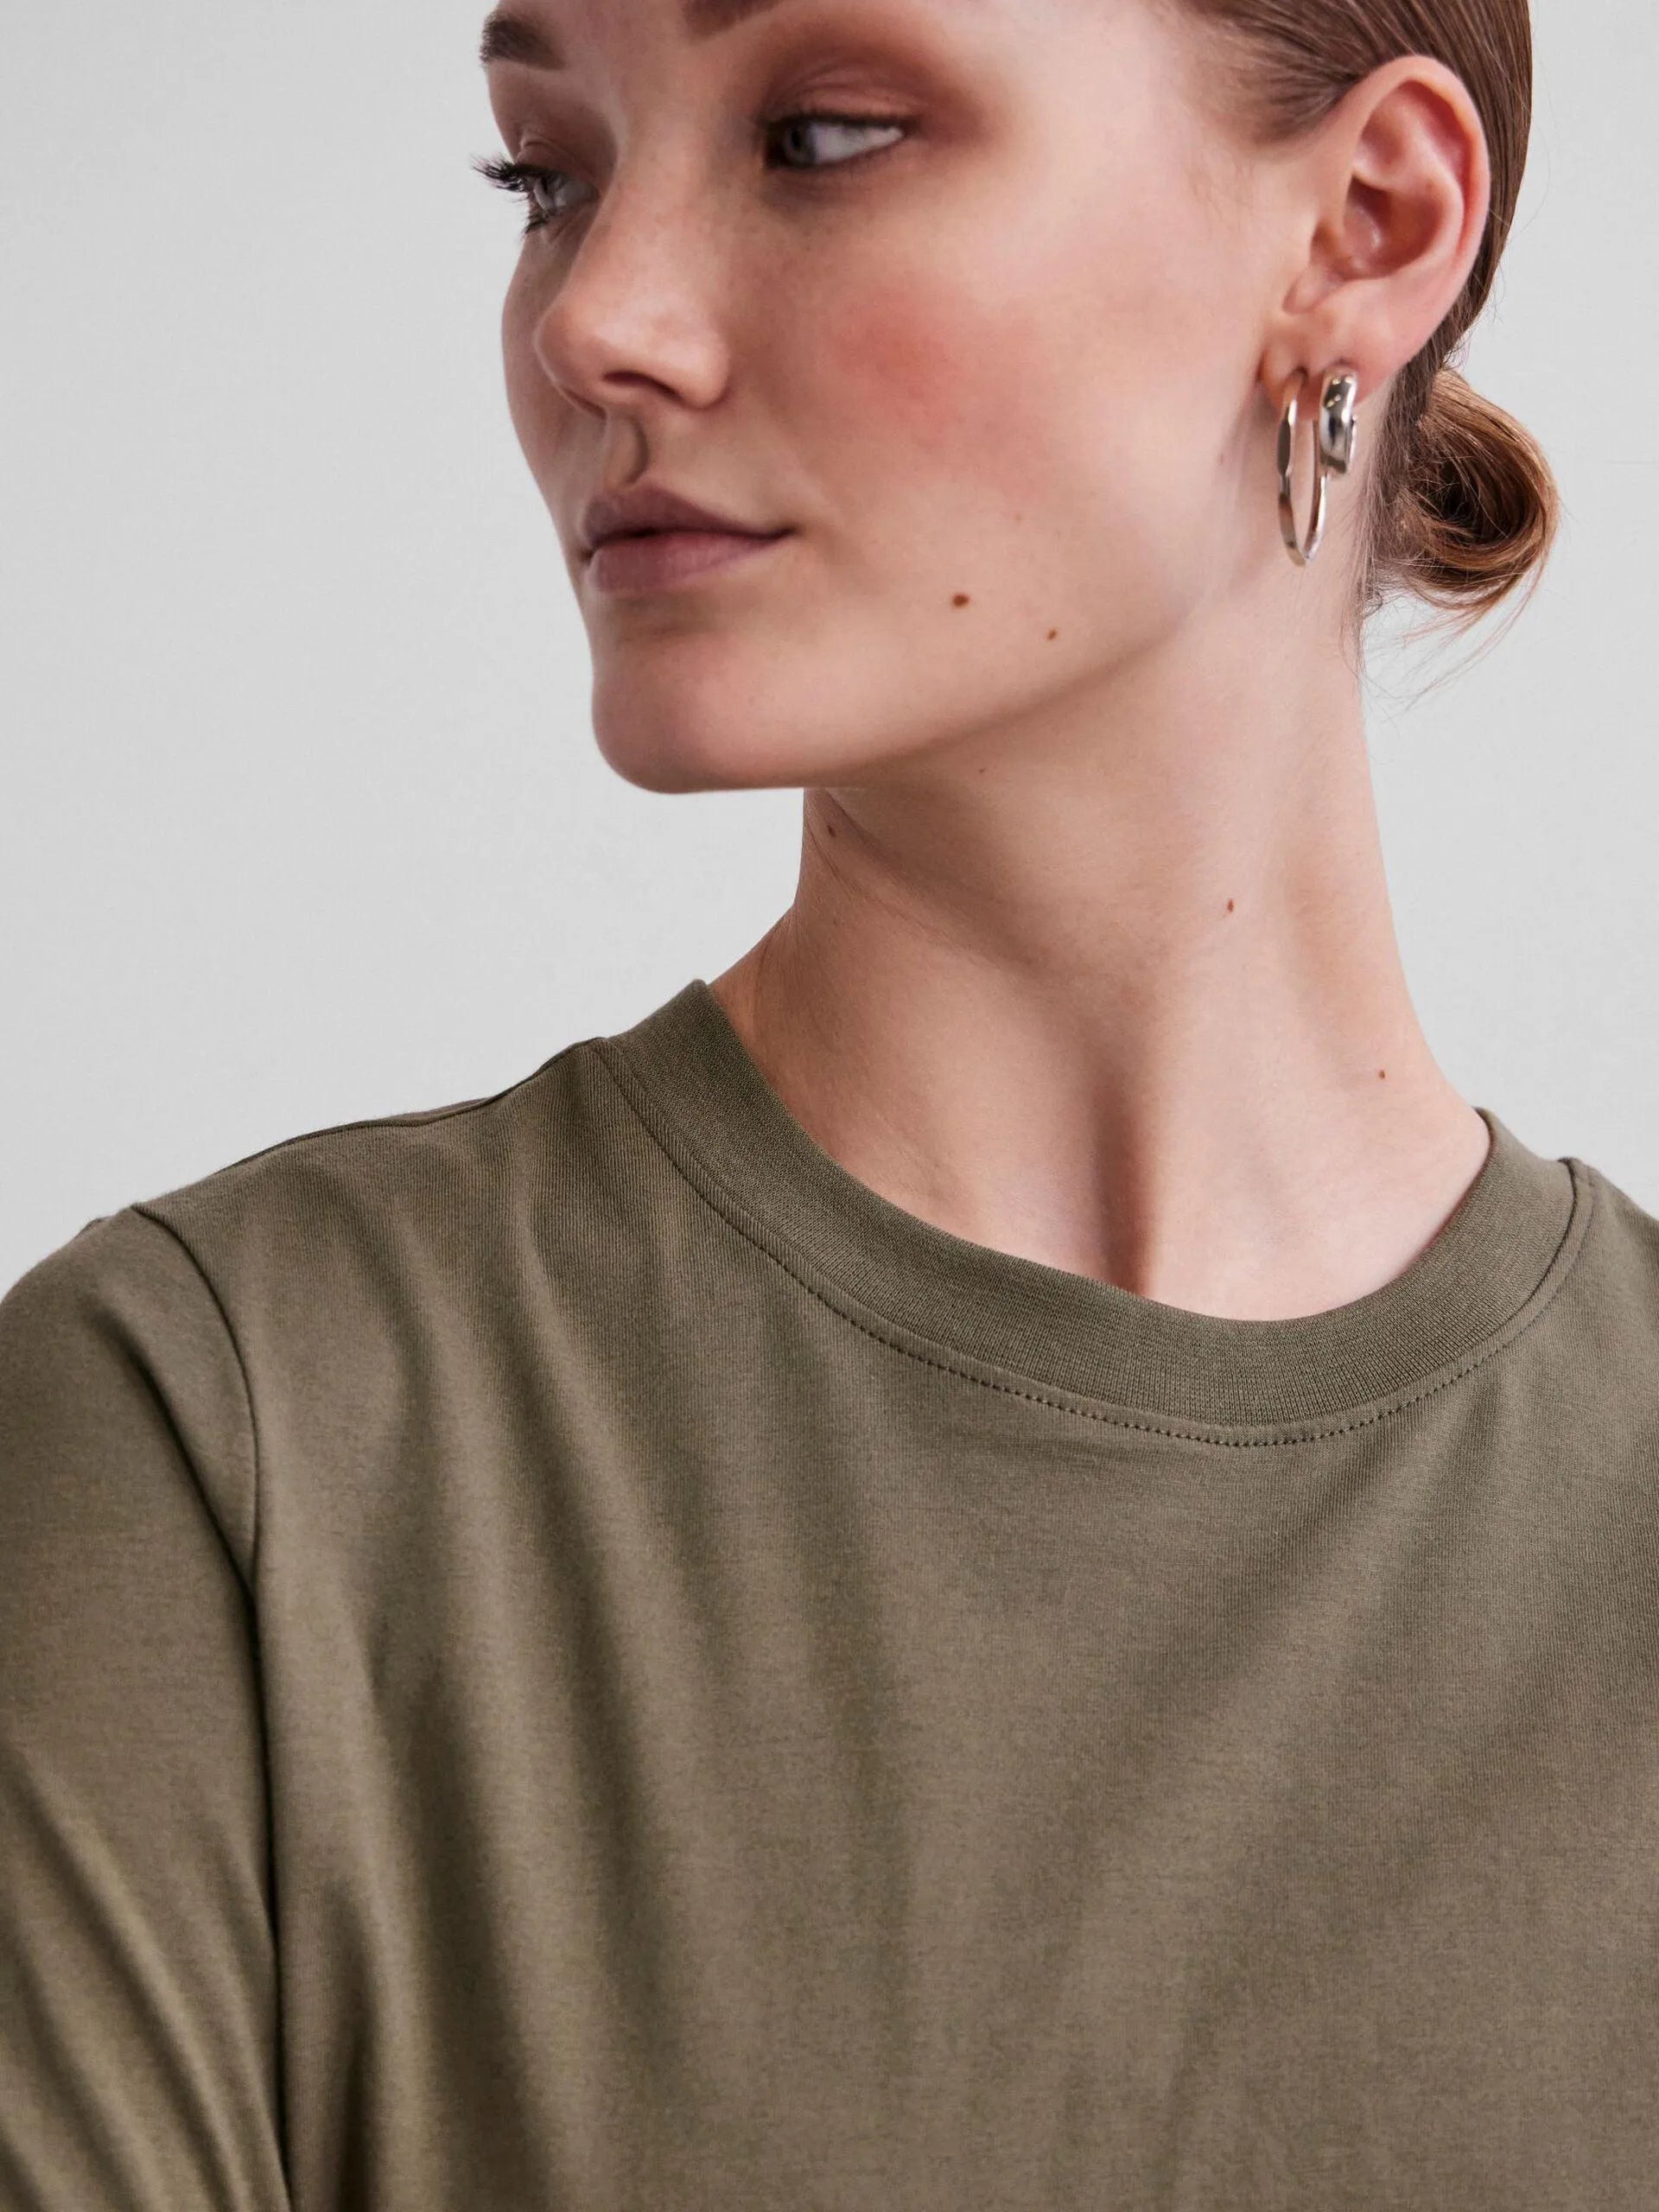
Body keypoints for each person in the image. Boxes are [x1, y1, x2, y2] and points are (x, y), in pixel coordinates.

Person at [3, 0, 1653, 2205]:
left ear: (1366, 225)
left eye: (825, 135)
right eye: (548, 173)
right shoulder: (222, 1457)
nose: (592, 318)